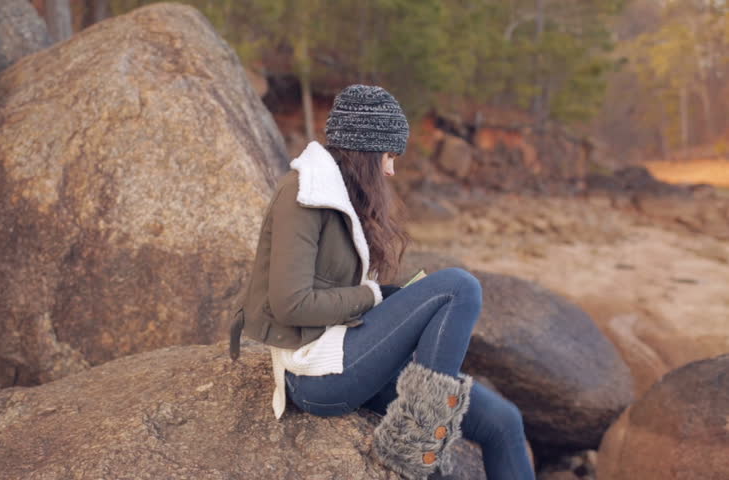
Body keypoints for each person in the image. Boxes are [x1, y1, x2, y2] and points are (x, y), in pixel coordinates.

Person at [228, 84, 535, 480]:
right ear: (367, 151)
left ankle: (421, 426)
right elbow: (291, 303)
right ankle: (417, 438)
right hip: (313, 371)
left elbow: (343, 290)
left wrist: (386, 300)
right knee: (460, 285)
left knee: (503, 422)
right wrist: (372, 296)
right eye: (389, 156)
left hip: (349, 345)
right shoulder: (302, 195)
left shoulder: (345, 193)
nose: (391, 170)